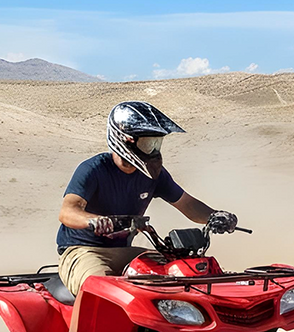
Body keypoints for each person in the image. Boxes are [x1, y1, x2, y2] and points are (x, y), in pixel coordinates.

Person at [56, 101, 236, 298]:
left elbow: (187, 204)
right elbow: (68, 211)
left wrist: (215, 216)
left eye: (157, 144)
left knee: (178, 273)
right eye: (148, 143)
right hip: (83, 252)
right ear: (125, 140)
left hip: (125, 251)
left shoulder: (153, 176)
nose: (154, 151)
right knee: (103, 291)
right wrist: (94, 221)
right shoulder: (93, 169)